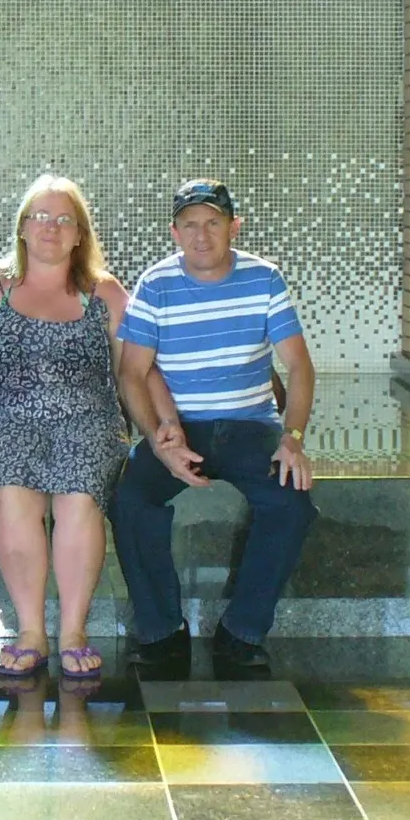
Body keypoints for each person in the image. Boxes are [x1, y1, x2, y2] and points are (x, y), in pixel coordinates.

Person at [113, 178, 317, 671]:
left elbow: (299, 367)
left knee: (292, 505)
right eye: (189, 225)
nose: (201, 235)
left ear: (233, 227)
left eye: (212, 223)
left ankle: (241, 631)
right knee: (130, 500)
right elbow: (132, 373)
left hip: (252, 427)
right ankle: (161, 630)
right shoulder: (156, 284)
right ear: (174, 232)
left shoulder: (264, 278)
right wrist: (160, 440)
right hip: (182, 429)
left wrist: (292, 438)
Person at [0, 175, 131, 679]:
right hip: (11, 418)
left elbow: (133, 372)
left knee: (79, 496)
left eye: (65, 219)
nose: (51, 227)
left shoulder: (103, 292)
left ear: (80, 234)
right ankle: (30, 631)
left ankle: (72, 632)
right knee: (13, 495)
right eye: (40, 216)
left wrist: (162, 429)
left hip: (89, 418)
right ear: (22, 227)